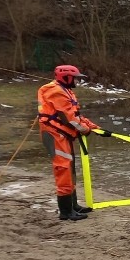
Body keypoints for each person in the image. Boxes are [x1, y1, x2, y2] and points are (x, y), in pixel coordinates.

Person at [37, 65, 111, 221]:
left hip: (63, 135)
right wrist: (84, 130)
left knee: (70, 170)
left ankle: (73, 205)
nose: (77, 80)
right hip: (55, 135)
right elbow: (69, 119)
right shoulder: (56, 91)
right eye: (75, 77)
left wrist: (95, 128)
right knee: (63, 169)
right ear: (66, 77)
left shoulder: (65, 91)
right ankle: (65, 211)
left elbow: (76, 115)